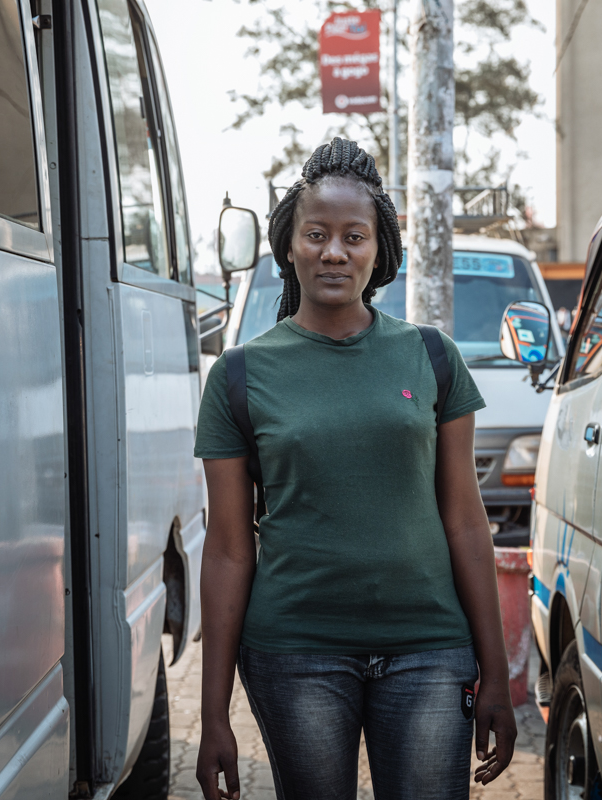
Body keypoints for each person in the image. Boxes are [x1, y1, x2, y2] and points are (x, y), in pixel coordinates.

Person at [194, 138, 517, 800]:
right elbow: (228, 551)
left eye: (353, 237)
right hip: (295, 654)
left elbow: (464, 519)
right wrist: (211, 715)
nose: (333, 252)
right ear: (288, 245)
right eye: (316, 234)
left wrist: (497, 674)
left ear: (379, 251)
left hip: (429, 648)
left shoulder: (431, 356)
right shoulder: (240, 376)